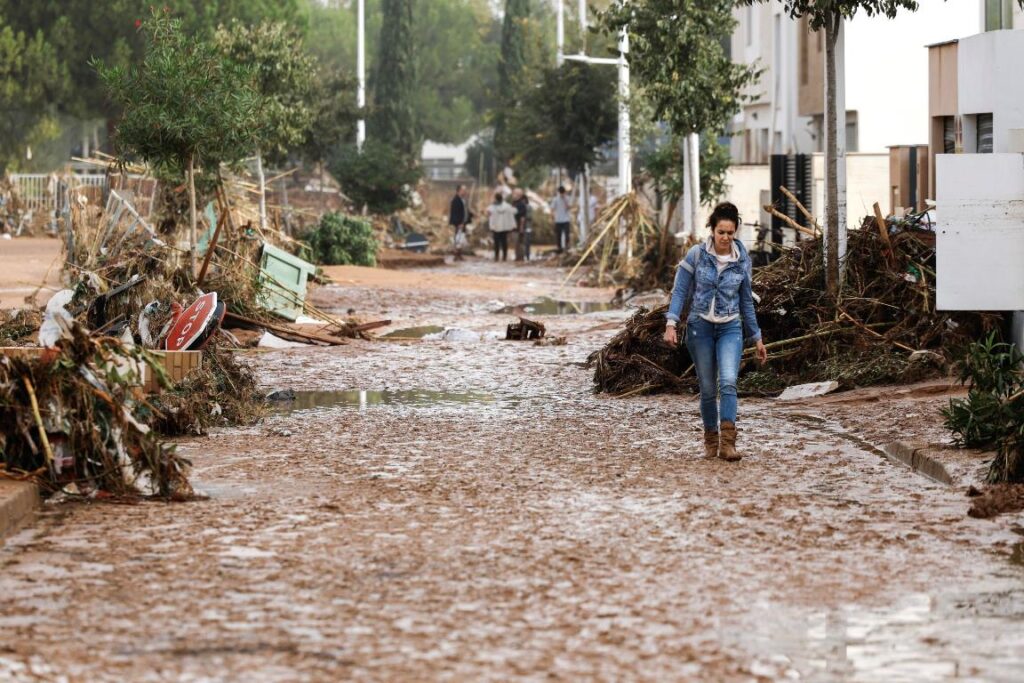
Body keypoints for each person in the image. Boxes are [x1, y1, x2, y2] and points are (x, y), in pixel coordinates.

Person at [663, 202, 768, 462]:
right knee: (708, 389)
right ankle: (711, 439)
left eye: (730, 233)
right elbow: (680, 292)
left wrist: (757, 338)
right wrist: (671, 323)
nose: (725, 238)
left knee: (729, 381)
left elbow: (746, 301)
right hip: (700, 328)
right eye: (721, 232)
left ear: (735, 232)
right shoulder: (696, 256)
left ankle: (728, 444)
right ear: (712, 230)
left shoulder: (742, 260)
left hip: (731, 326)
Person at [486, 192, 517, 262]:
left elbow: (487, 213)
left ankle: (496, 257)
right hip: (504, 227)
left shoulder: (492, 207)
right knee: (504, 242)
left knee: (496, 243)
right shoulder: (507, 206)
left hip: (496, 227)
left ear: (496, 199)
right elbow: (514, 211)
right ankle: (504, 257)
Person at [448, 184, 473, 261]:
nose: (465, 192)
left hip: (463, 222)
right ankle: (456, 255)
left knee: (461, 238)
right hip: (459, 223)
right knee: (458, 238)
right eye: (463, 190)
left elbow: (465, 211)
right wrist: (459, 223)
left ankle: (459, 254)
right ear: (459, 191)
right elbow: (455, 213)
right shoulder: (456, 200)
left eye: (465, 190)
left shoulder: (463, 200)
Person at [550, 186, 572, 253]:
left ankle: (567, 247)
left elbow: (569, 207)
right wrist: (552, 217)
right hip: (558, 220)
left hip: (566, 219)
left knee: (567, 234)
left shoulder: (567, 198)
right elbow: (552, 209)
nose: (562, 194)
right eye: (561, 193)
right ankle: (559, 248)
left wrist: (565, 200)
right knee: (558, 235)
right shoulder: (555, 199)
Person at [512, 188, 532, 261]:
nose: (513, 195)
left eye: (514, 193)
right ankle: (518, 257)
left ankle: (521, 257)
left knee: (519, 243)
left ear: (519, 195)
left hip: (519, 227)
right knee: (516, 243)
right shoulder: (514, 203)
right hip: (514, 226)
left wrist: (521, 227)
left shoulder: (521, 204)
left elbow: (522, 217)